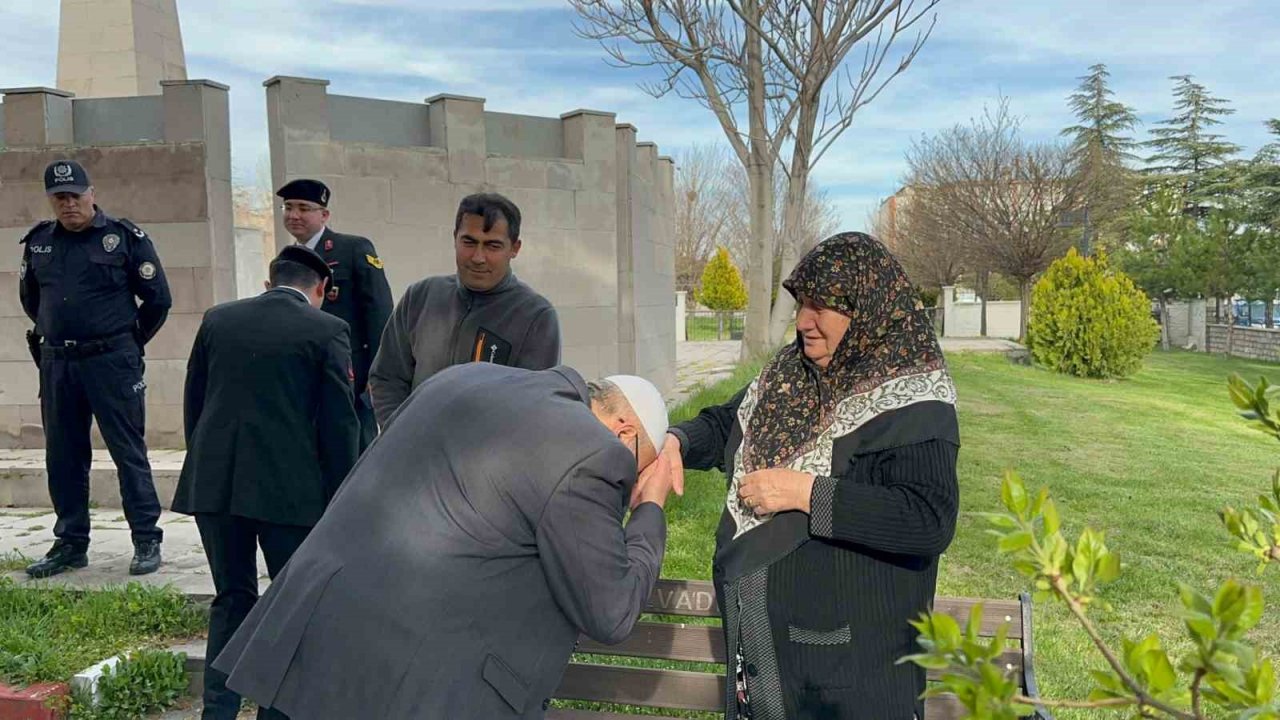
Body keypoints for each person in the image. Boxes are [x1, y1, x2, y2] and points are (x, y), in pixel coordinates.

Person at [211, 365, 679, 719]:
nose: (628, 483)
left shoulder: (461, 376)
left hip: (309, 637)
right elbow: (611, 610)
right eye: (636, 472)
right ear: (624, 433)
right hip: (407, 687)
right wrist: (648, 509)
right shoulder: (591, 451)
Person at [662, 232, 960, 719]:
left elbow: (927, 520)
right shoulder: (790, 373)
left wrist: (805, 492)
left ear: (866, 308)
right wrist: (679, 440)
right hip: (764, 661)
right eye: (801, 304)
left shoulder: (915, 400)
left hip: (849, 678)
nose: (802, 322)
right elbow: (725, 423)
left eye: (821, 306)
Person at [171, 244, 359, 720]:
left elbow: (195, 403)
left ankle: (218, 712)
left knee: (232, 598)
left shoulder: (218, 319)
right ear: (320, 291)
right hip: (288, 492)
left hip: (216, 485)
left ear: (269, 282)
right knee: (287, 606)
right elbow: (339, 426)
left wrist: (209, 465)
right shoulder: (328, 330)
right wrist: (341, 499)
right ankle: (275, 712)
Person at [20, 159, 172, 579]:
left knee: (127, 452)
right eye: (60, 197)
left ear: (92, 193)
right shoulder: (39, 243)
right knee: (63, 456)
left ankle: (145, 538)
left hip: (111, 362)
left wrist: (127, 341)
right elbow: (31, 301)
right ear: (51, 201)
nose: (69, 204)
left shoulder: (122, 238)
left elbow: (158, 299)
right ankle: (71, 542)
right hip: (58, 364)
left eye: (75, 195)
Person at [369, 192, 560, 429]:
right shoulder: (420, 297)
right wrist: (401, 434)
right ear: (455, 239)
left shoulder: (535, 315)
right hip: (414, 454)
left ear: (515, 248)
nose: (478, 257)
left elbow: (535, 406)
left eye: (493, 245)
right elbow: (387, 377)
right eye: (469, 242)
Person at [277, 178, 392, 452]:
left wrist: (378, 375)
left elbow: (380, 313)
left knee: (354, 451)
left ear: (324, 214)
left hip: (348, 374)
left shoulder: (353, 249)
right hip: (303, 374)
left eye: (304, 208)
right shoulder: (287, 258)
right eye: (288, 207)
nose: (294, 215)